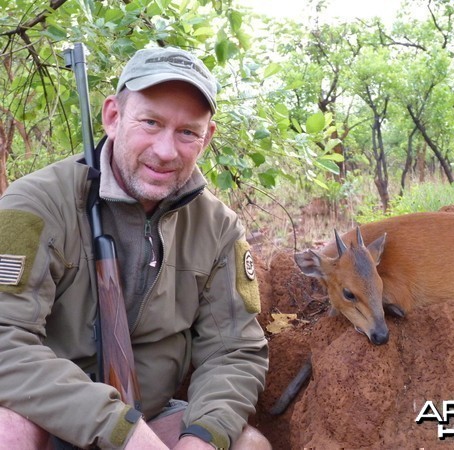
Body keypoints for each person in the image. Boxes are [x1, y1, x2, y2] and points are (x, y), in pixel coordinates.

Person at [0, 47, 270, 449]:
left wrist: (203, 437)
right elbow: (6, 341)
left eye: (187, 132)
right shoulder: (34, 205)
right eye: (150, 122)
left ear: (206, 138)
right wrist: (118, 429)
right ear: (113, 116)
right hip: (45, 415)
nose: (165, 151)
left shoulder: (219, 227)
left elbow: (235, 351)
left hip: (151, 417)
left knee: (247, 444)